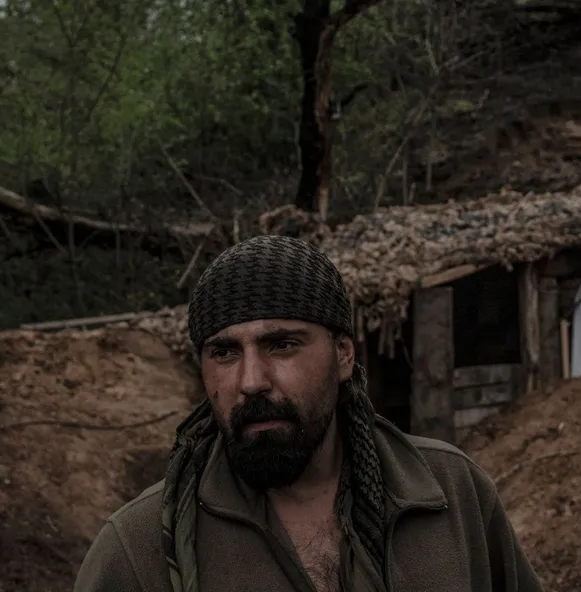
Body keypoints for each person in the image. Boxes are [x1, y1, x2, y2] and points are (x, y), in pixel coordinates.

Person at [74, 235, 543, 592]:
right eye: (224, 352)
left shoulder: (453, 497)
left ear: (342, 354)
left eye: (282, 344)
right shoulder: (137, 550)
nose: (251, 380)